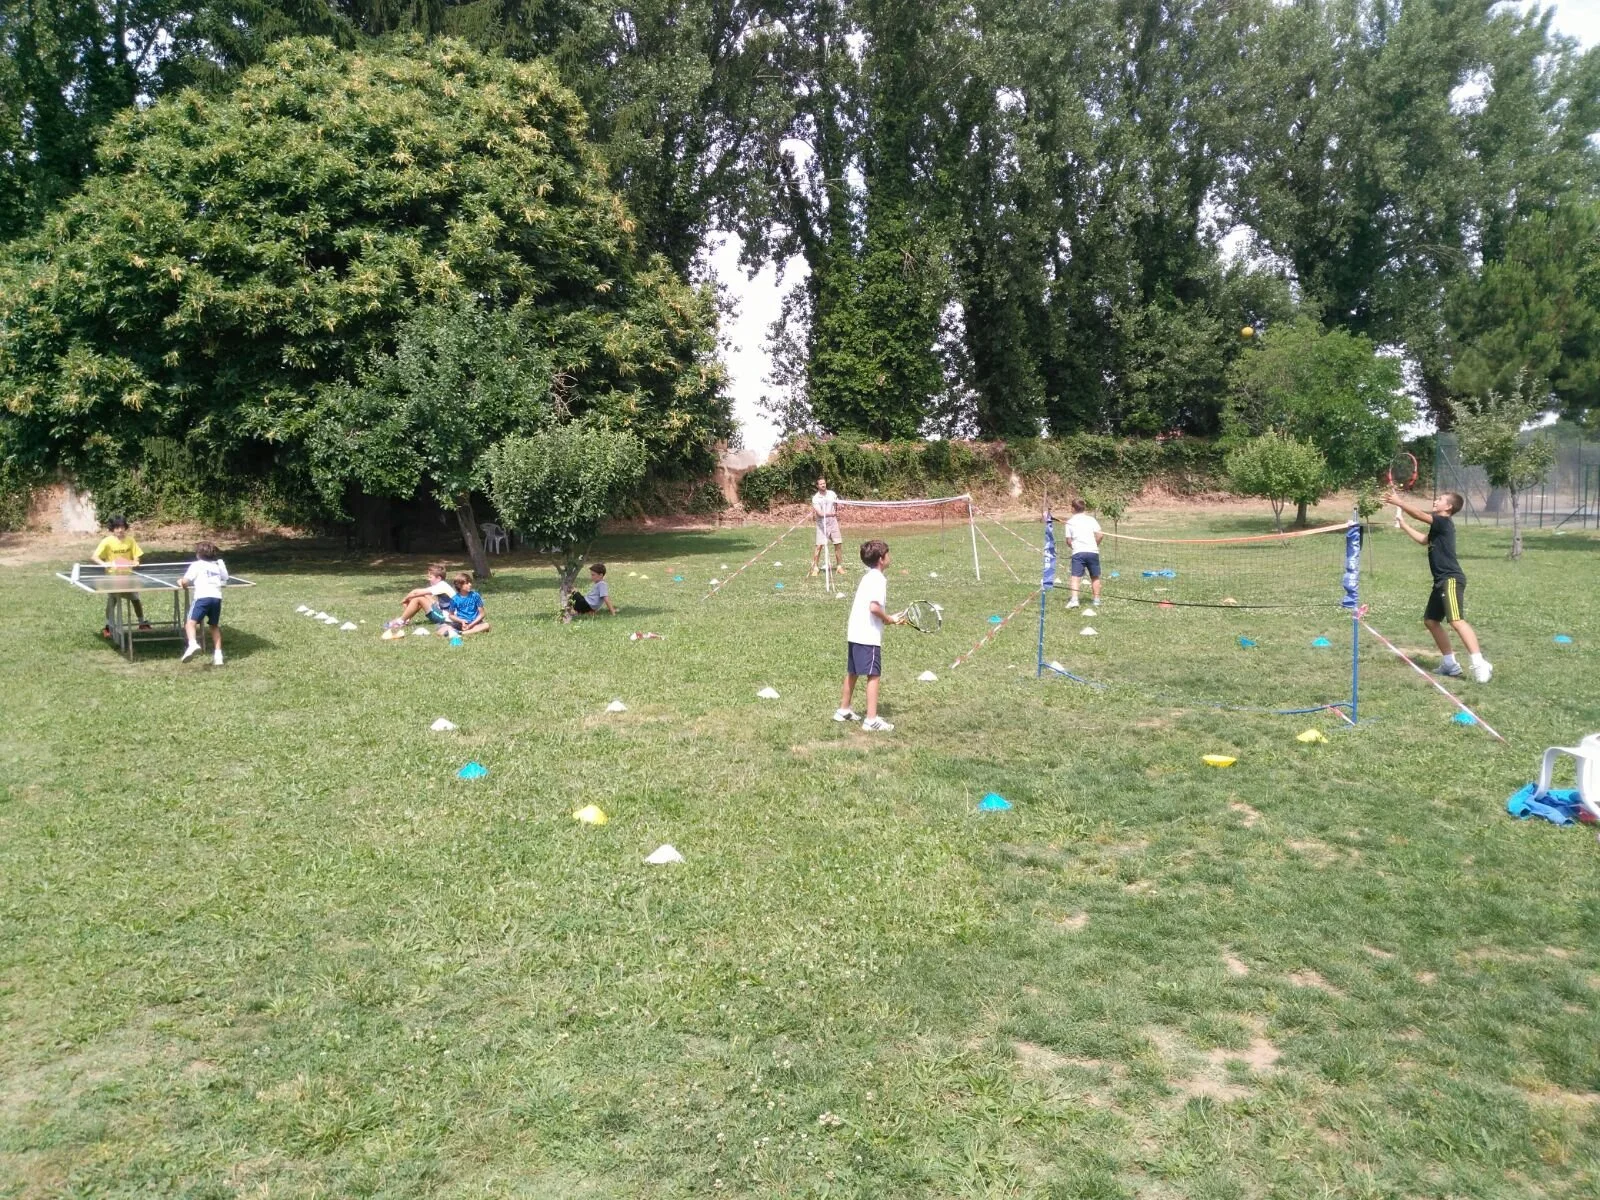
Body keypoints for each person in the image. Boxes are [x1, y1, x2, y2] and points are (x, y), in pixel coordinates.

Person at [1386, 489, 1491, 683]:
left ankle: (1479, 663)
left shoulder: (1443, 521)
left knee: (1456, 620)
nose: (1436, 500)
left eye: (1440, 499)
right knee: (1431, 621)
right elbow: (1424, 540)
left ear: (1448, 507)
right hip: (1440, 582)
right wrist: (1403, 525)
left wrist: (1399, 502)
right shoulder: (1438, 527)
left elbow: (1419, 514)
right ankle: (1450, 664)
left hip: (1450, 579)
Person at [834, 538, 904, 732]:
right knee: (874, 674)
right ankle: (871, 719)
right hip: (867, 635)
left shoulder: (867, 576)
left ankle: (843, 709)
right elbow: (874, 607)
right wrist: (888, 618)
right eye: (888, 554)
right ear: (881, 559)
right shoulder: (879, 579)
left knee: (853, 671)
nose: (890, 557)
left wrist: (888, 618)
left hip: (855, 632)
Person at [91, 514, 150, 635]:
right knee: (112, 600)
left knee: (136, 599)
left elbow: (137, 556)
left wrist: (137, 561)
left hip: (128, 576)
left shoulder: (130, 540)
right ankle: (108, 626)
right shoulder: (106, 542)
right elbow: (94, 557)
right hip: (112, 577)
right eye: (117, 527)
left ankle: (141, 622)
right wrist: (104, 564)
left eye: (122, 527)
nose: (120, 530)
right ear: (112, 529)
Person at [179, 541, 230, 665]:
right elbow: (226, 577)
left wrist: (180, 582)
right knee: (214, 626)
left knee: (190, 623)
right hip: (216, 598)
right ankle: (218, 656)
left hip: (202, 598)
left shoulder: (196, 565)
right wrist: (221, 564)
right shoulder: (217, 565)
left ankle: (193, 644)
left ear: (198, 554)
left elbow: (185, 582)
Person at [1063, 498, 1104, 609]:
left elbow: (1068, 540)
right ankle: (1096, 600)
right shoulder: (1091, 520)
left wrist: (1074, 547)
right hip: (1093, 552)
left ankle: (1075, 600)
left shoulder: (1070, 522)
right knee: (1095, 576)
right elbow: (1100, 535)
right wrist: (1094, 545)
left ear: (1072, 508)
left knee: (1075, 577)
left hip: (1078, 552)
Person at [388, 564, 456, 630]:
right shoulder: (443, 585)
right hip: (446, 613)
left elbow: (415, 592)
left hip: (446, 618)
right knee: (423, 596)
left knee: (418, 598)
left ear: (438, 578)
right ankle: (406, 620)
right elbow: (425, 594)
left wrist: (405, 599)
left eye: (430, 577)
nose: (428, 579)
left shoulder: (441, 586)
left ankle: (400, 621)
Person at [809, 476, 844, 577]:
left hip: (833, 523)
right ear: (817, 486)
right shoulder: (816, 498)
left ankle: (839, 567)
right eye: (821, 484)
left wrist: (839, 506)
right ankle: (815, 567)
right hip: (822, 524)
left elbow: (837, 503)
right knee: (819, 546)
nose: (823, 485)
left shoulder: (832, 494)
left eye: (824, 483)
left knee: (838, 544)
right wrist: (831, 514)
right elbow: (819, 513)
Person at [439, 572, 490, 636]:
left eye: (470, 582)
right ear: (459, 585)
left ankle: (461, 633)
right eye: (467, 583)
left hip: (475, 622)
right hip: (461, 623)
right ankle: (461, 632)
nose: (470, 584)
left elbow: (482, 614)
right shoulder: (455, 599)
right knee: (441, 630)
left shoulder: (475, 595)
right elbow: (451, 615)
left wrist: (472, 624)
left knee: (486, 625)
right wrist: (461, 621)